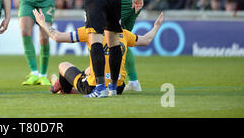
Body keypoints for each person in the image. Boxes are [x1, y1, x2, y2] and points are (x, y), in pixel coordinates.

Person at [33, 9, 164, 95]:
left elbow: (57, 36)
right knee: (89, 69)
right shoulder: (124, 34)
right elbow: (146, 40)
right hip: (117, 87)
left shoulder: (91, 31)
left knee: (63, 65)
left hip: (96, 85)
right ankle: (63, 86)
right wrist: (157, 26)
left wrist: (43, 23)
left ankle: (63, 89)